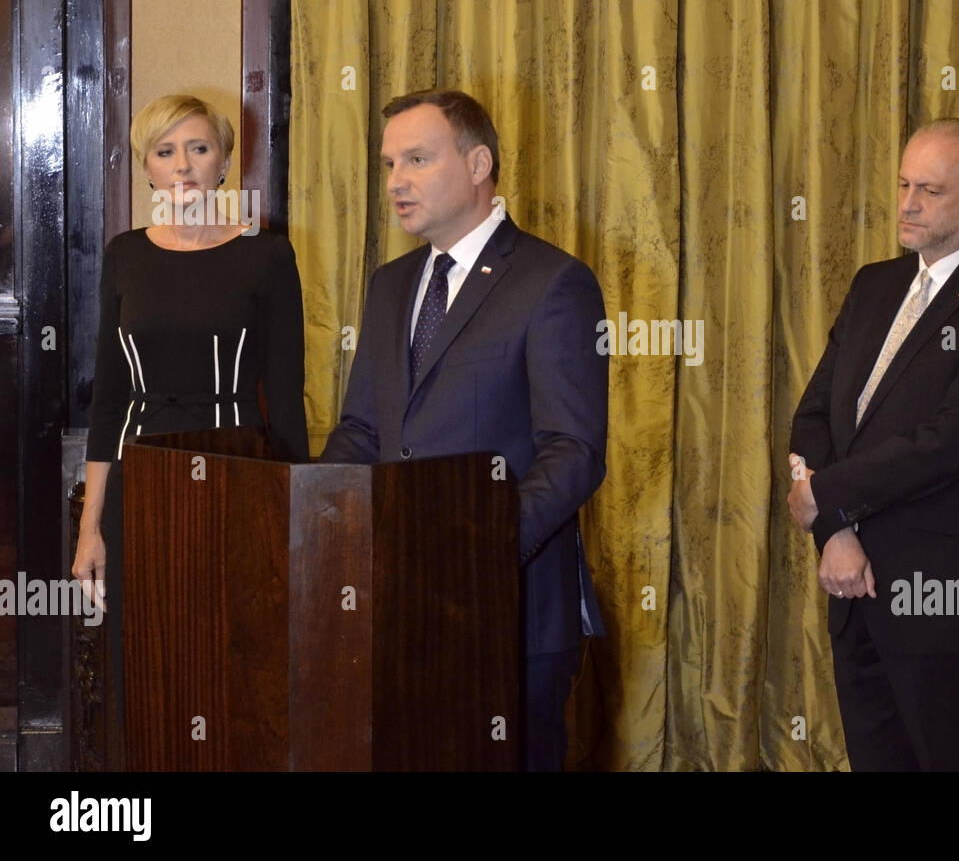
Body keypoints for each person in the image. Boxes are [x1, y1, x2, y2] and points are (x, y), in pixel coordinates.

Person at [319, 88, 608, 772]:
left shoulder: (553, 282)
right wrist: (316, 518)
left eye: (417, 159)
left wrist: (476, 549)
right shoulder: (390, 285)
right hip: (393, 604)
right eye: (389, 164)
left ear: (478, 164)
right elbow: (363, 430)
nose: (396, 181)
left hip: (506, 611)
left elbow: (573, 452)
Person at [788, 119, 959, 771]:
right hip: (852, 582)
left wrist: (824, 495)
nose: (906, 202)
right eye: (904, 183)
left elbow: (950, 440)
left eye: (929, 190)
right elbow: (817, 414)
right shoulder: (873, 284)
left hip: (944, 594)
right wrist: (835, 530)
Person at [73, 93, 308, 732]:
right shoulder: (125, 254)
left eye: (199, 148)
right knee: (144, 658)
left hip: (241, 471)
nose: (183, 165)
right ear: (146, 167)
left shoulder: (266, 253)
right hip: (137, 472)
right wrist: (91, 528)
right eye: (165, 150)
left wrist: (295, 516)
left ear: (225, 162)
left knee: (236, 653)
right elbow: (108, 401)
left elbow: (287, 398)